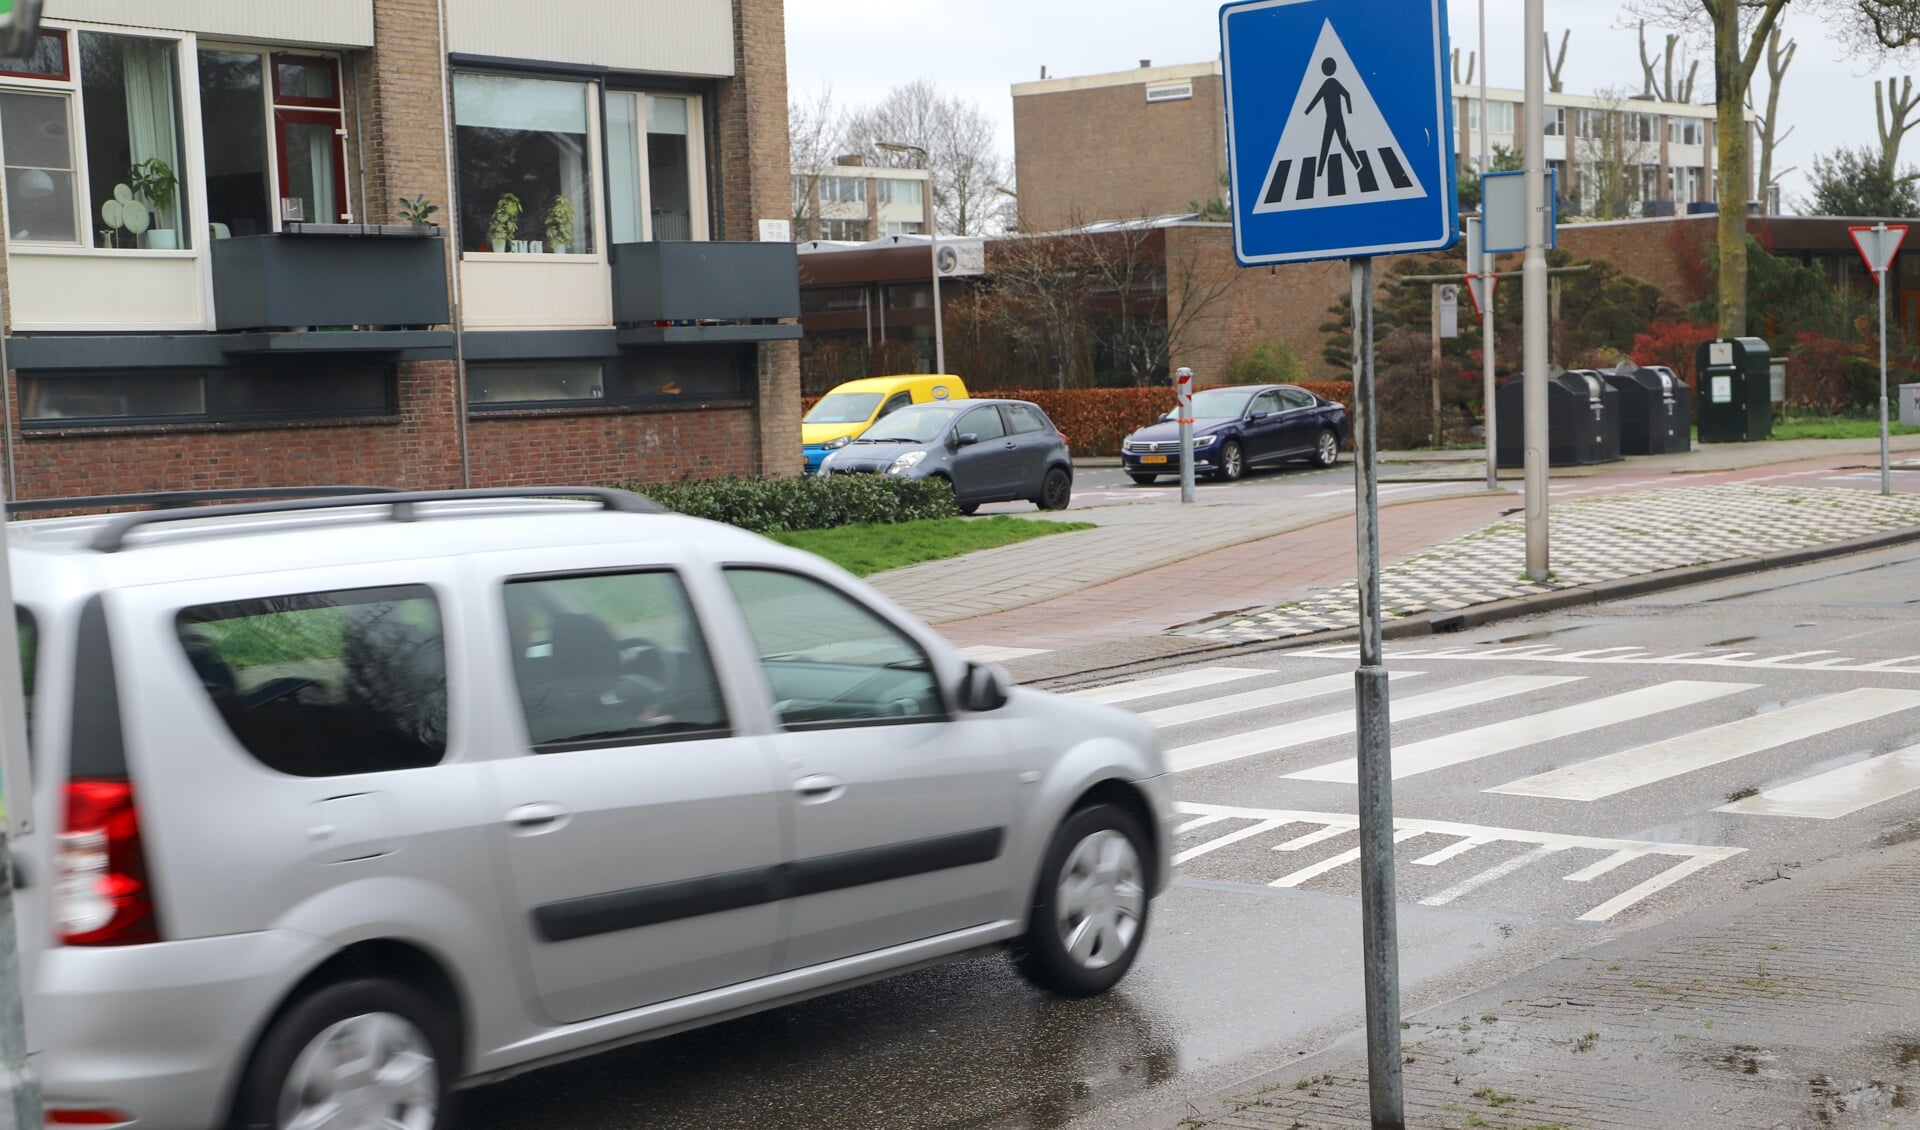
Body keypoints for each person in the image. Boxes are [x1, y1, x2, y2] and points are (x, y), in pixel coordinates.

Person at [1304, 57, 1360, 175]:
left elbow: (1346, 94)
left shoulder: (1330, 83)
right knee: (1329, 144)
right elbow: (1318, 98)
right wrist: (1307, 111)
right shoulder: (1331, 83)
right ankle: (1320, 172)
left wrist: (1350, 111)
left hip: (1336, 118)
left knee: (1339, 143)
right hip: (1332, 119)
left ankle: (1357, 165)